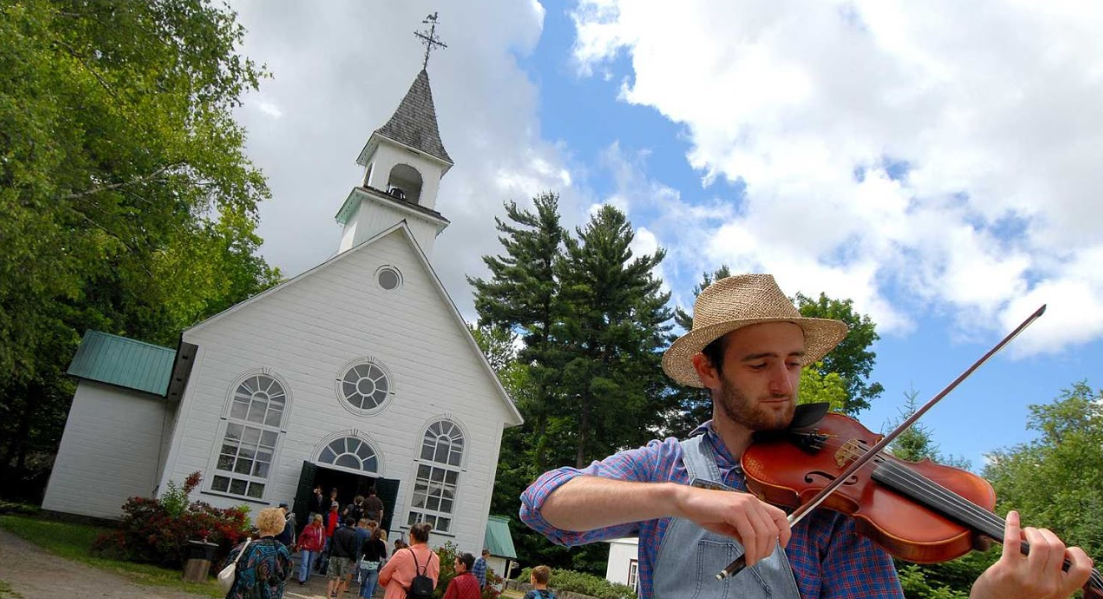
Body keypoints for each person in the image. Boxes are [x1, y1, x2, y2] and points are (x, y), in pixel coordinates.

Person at [520, 274, 1096, 599]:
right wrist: (679, 498)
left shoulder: (838, 509)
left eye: (793, 362)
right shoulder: (665, 464)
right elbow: (544, 503)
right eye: (759, 364)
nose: (783, 385)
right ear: (707, 370)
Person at [222, 507, 292, 599]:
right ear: (281, 525)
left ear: (259, 522)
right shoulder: (282, 550)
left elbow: (227, 567)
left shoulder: (245, 547)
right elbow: (287, 574)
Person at [379, 523, 438, 599]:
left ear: (411, 536)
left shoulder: (402, 554)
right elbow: (433, 583)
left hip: (397, 593)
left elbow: (384, 575)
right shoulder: (434, 558)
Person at [327, 518, 359, 599]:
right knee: (342, 579)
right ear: (353, 524)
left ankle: (328, 596)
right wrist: (354, 559)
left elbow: (331, 543)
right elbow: (353, 548)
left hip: (334, 555)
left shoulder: (337, 531)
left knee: (332, 577)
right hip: (345, 557)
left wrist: (329, 554)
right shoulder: (353, 534)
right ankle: (339, 597)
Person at [359, 525, 389, 599]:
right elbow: (384, 555)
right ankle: (367, 597)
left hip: (365, 563)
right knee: (370, 584)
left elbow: (362, 551)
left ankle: (361, 596)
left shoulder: (367, 541)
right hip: (375, 565)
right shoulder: (381, 544)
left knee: (363, 582)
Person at [296, 514, 326, 584]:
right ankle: (302, 578)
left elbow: (323, 539)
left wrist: (321, 547)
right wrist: (299, 545)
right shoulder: (308, 527)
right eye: (316, 521)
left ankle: (306, 577)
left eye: (319, 521)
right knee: (305, 562)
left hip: (315, 548)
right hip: (306, 546)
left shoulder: (322, 529)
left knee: (310, 563)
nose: (317, 523)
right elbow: (302, 536)